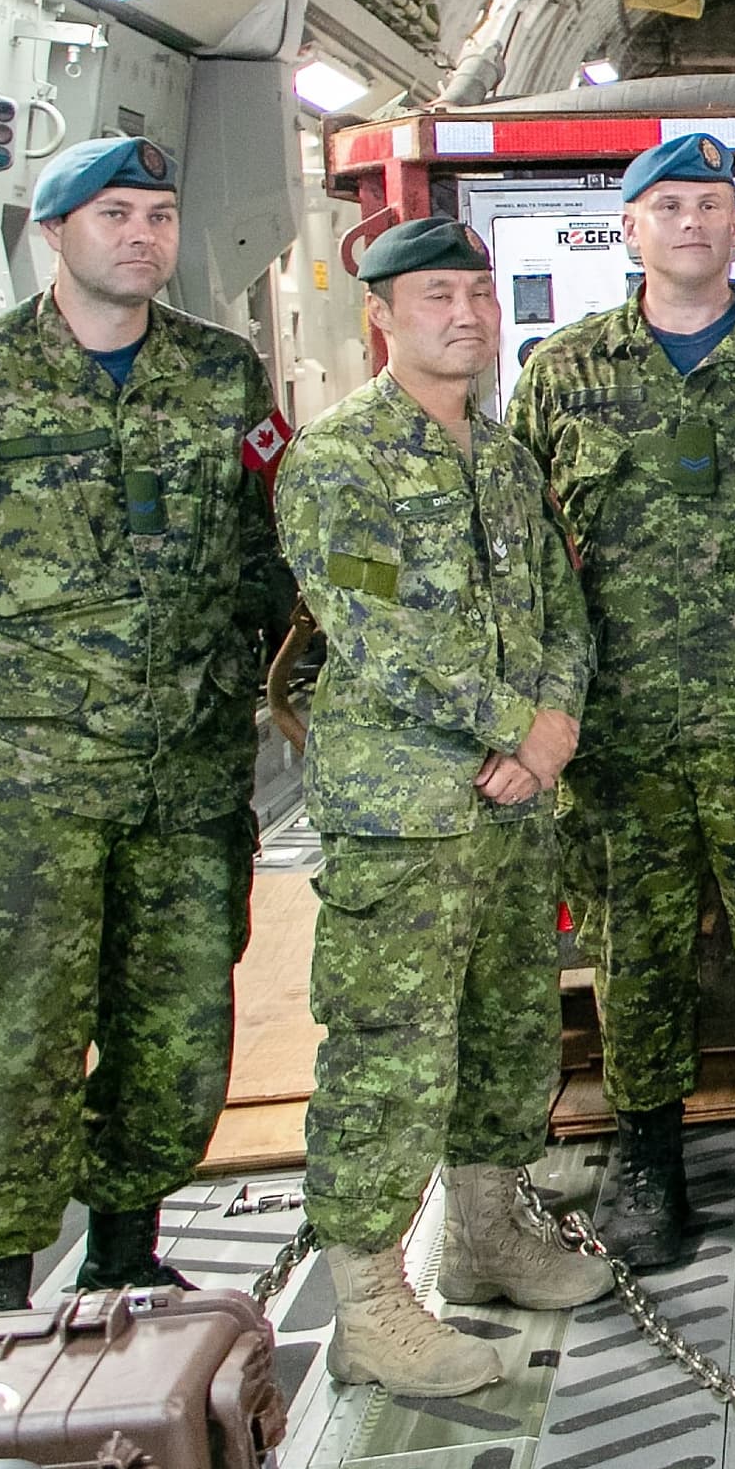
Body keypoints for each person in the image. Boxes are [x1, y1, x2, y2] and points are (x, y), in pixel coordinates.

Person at [0, 136, 294, 1311]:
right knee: (20, 1033)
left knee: (176, 1028)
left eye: (158, 212)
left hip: (189, 779)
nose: (142, 234)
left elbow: (265, 552)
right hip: (31, 789)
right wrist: (3, 696)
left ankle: (125, 1245)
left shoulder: (223, 374)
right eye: (114, 213)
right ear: (51, 233)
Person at [272, 216, 610, 1396]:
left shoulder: (508, 462)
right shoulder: (338, 461)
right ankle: (369, 1301)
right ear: (382, 313)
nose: (465, 313)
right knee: (388, 1052)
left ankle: (486, 1233)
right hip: (409, 813)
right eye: (435, 295)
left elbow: (564, 617)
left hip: (517, 808)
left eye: (477, 291)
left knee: (513, 1027)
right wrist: (519, 726)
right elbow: (378, 635)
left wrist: (554, 729)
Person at [507, 131, 735, 1267]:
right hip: (621, 739)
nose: (692, 221)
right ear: (632, 227)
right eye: (670, 205)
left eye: (711, 202)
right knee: (634, 959)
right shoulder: (563, 374)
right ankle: (645, 1160)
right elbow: (526, 555)